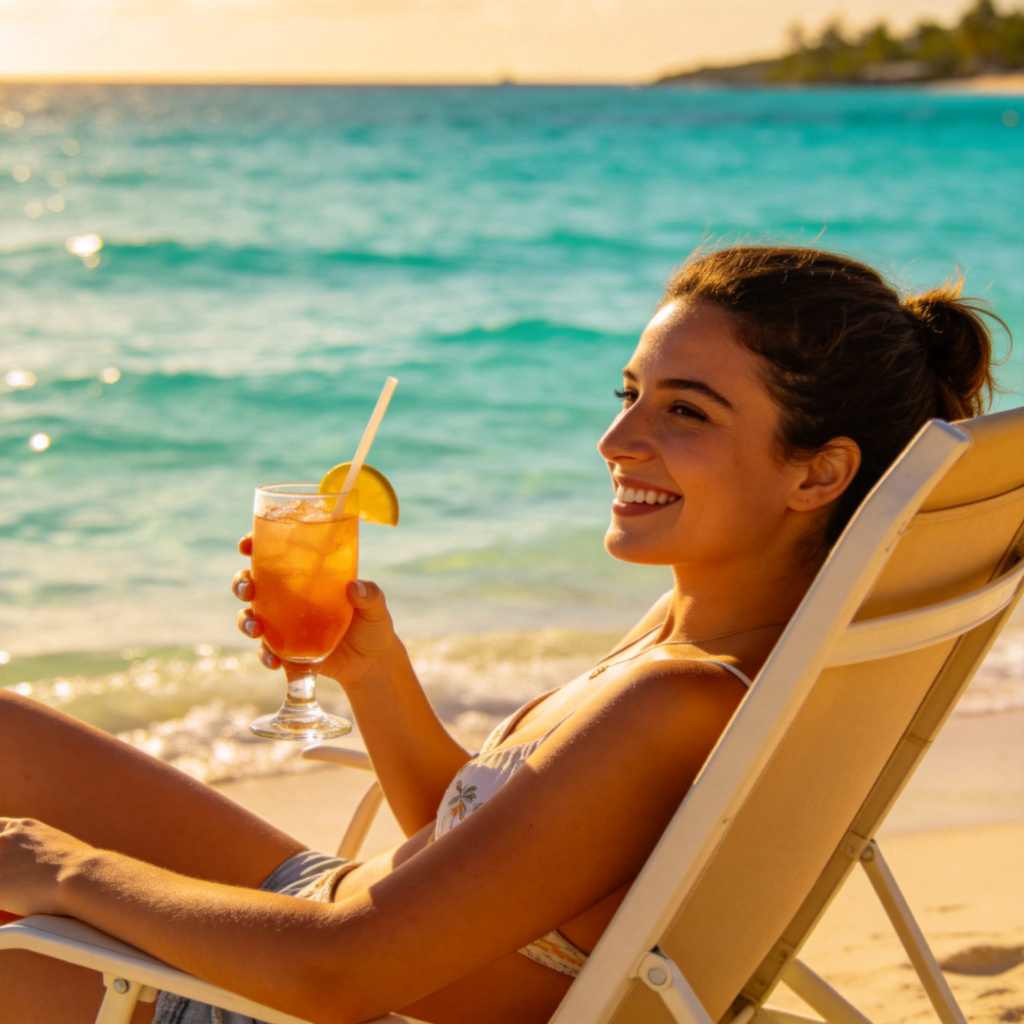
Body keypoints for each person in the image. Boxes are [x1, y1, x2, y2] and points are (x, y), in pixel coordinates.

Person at [0, 244, 1004, 1024]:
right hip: (344, 924)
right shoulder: (699, 638)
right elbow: (497, 852)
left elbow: (342, 971)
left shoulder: (681, 699)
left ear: (817, 473)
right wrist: (376, 676)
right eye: (630, 394)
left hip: (311, 985)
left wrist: (62, 868)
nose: (617, 441)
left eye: (685, 411)